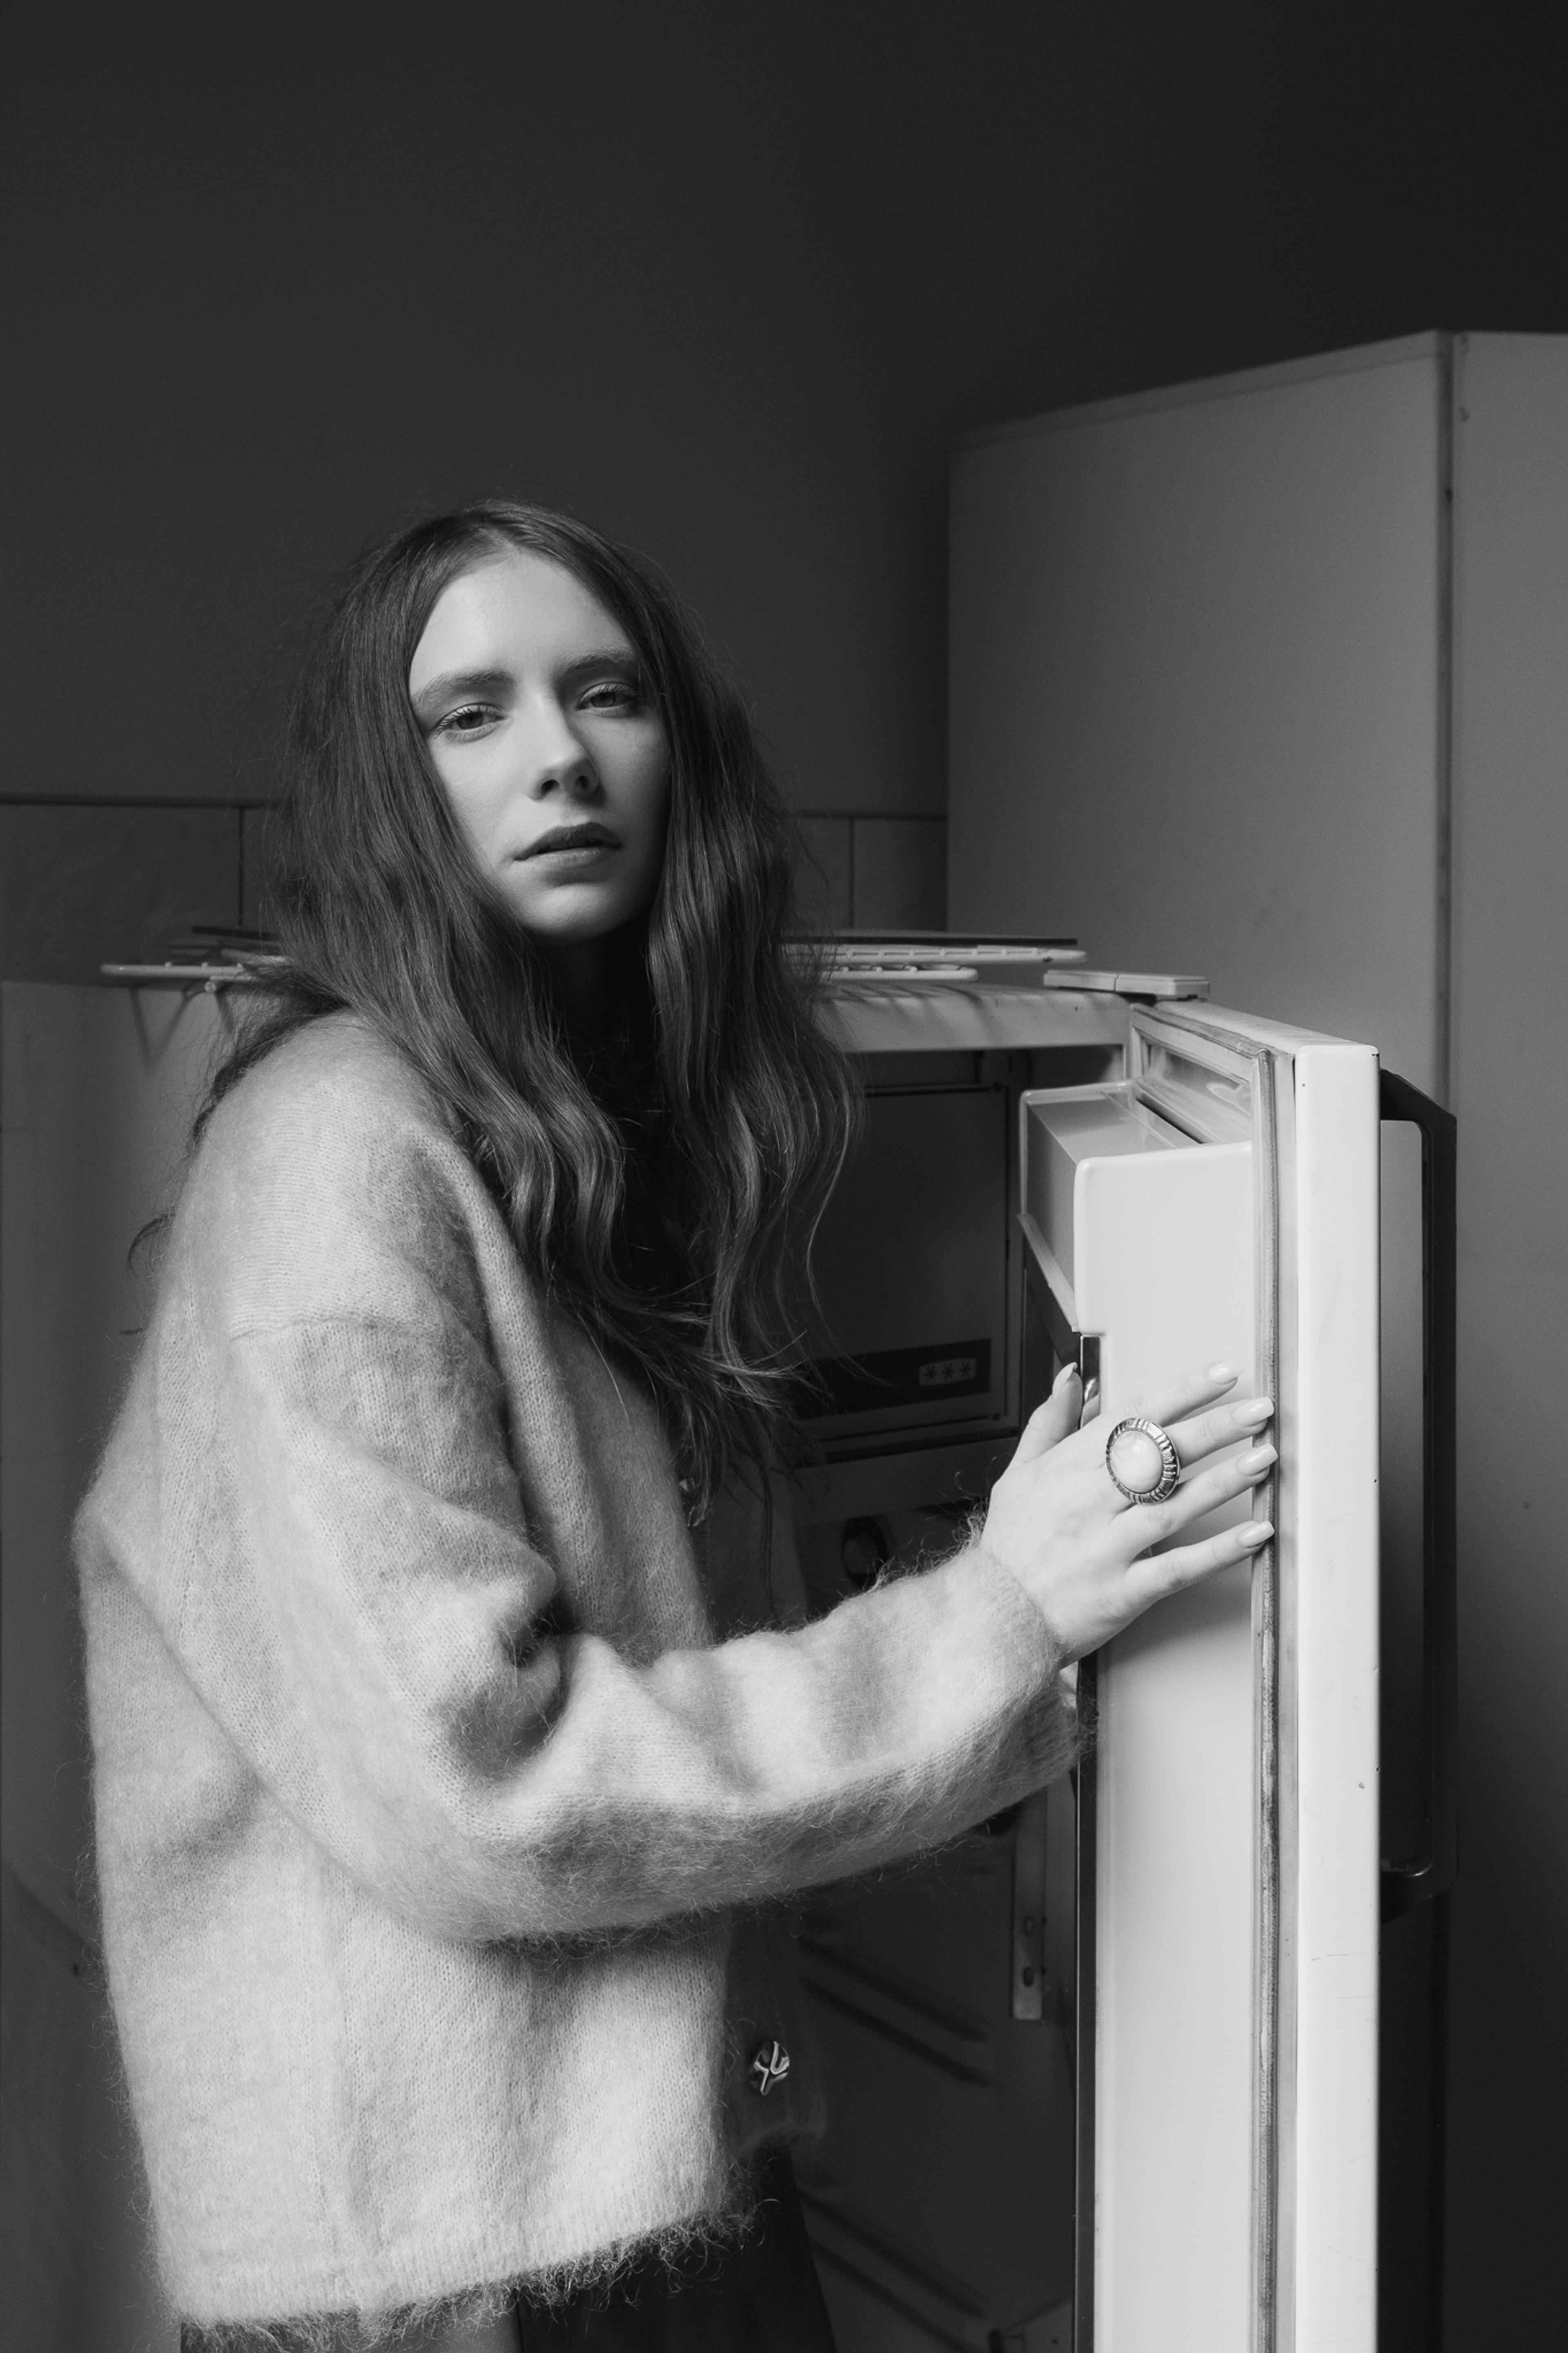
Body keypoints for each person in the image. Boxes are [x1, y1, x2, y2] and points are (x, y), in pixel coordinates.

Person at [74, 501, 1277, 2352]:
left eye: (606, 692)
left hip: (630, 2186)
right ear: (392, 794)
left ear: (677, 750)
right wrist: (998, 1615)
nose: (558, 754)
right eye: (470, 713)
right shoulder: (331, 1153)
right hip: (451, 2274)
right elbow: (493, 1788)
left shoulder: (572, 1135)